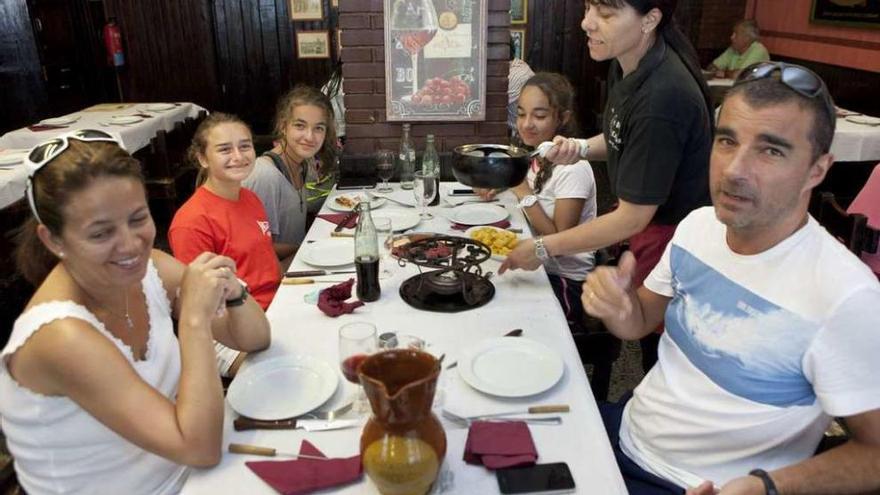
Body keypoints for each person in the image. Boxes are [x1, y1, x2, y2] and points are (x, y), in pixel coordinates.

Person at [584, 62, 880, 494]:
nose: (734, 170)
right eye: (727, 141)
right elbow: (642, 320)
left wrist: (766, 487)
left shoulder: (847, 295)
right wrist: (622, 306)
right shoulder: (698, 227)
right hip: (624, 432)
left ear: (817, 170)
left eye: (771, 150)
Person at [0, 130, 270, 494]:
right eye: (100, 233)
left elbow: (255, 338)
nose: (131, 244)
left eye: (138, 218)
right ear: (53, 240)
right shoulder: (60, 336)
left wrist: (233, 290)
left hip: (190, 477)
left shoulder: (151, 269)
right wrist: (193, 320)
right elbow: (200, 448)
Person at [500, 0, 714, 370]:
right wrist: (580, 147)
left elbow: (632, 218)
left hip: (671, 238)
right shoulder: (627, 63)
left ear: (650, 19)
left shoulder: (662, 95)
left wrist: (539, 247)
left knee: (663, 355)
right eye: (588, 9)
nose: (587, 23)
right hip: (650, 229)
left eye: (606, 14)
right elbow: (622, 138)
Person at [169, 113, 280, 375]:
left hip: (274, 306)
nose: (238, 156)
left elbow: (264, 259)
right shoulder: (192, 221)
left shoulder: (250, 197)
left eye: (245, 146)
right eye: (224, 149)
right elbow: (198, 305)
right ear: (203, 158)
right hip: (227, 328)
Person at [492, 72, 598, 334]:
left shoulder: (574, 168)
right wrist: (497, 186)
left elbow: (558, 243)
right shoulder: (537, 155)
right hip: (536, 267)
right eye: (520, 113)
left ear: (563, 118)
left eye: (539, 116)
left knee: (498, 315)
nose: (527, 124)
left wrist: (523, 192)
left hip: (565, 282)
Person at [242, 86, 338, 265]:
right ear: (283, 126)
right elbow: (256, 249)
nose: (309, 137)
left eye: (319, 128)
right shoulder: (265, 175)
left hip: (298, 265)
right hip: (274, 282)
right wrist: (307, 247)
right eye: (300, 126)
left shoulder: (304, 164)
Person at [508, 43, 536, 136]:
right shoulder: (516, 65)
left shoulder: (516, 75)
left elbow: (489, 103)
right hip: (521, 132)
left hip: (527, 134)